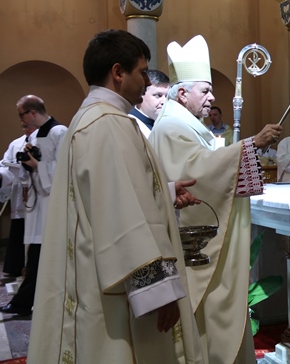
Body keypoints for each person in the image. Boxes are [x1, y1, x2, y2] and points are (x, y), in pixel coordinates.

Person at [27, 29, 204, 364]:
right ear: (118, 72)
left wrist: (164, 193)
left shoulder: (90, 118)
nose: (146, 82)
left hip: (95, 270)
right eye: (142, 72)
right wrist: (160, 292)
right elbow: (123, 216)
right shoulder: (109, 124)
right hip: (119, 290)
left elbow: (105, 198)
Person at [148, 34, 282, 364]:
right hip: (190, 248)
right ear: (182, 93)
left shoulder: (184, 124)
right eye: (205, 90)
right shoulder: (171, 127)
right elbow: (197, 175)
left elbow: (207, 165)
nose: (212, 98)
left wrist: (240, 151)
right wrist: (250, 145)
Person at [0, 95, 67, 317]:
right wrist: (28, 165)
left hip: (53, 204)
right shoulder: (37, 135)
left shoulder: (59, 132)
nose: (21, 120)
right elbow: (35, 167)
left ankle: (24, 301)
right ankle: (27, 300)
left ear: (32, 113)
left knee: (41, 256)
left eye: (21, 115)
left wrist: (37, 165)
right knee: (36, 255)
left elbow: (66, 167)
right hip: (39, 203)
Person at [0, 124, 36, 278]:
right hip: (20, 194)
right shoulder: (16, 144)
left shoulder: (46, 141)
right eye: (24, 127)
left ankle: (33, 268)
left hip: (38, 193)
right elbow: (5, 165)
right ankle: (16, 267)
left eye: (29, 126)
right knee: (19, 229)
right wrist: (1, 175)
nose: (27, 129)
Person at [128, 68, 170, 138]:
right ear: (141, 94)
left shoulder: (168, 123)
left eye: (167, 96)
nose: (164, 101)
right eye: (158, 95)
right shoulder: (129, 124)